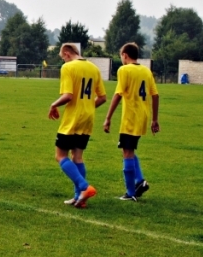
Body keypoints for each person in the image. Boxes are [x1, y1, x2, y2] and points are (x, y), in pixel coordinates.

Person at [48, 43, 106, 208]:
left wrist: (53, 105)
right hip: (88, 118)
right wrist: (87, 107)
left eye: (62, 58)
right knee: (78, 157)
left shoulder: (68, 68)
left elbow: (68, 96)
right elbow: (102, 97)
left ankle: (84, 187)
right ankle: (79, 198)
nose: (62, 61)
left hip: (73, 118)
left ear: (66, 53)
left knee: (60, 155)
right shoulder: (93, 68)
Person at [103, 43, 160, 201]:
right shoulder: (146, 71)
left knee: (127, 152)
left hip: (130, 118)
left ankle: (130, 193)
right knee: (128, 150)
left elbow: (118, 94)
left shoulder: (124, 70)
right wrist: (155, 119)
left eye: (121, 55)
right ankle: (140, 181)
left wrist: (108, 117)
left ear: (125, 55)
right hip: (142, 117)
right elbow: (155, 95)